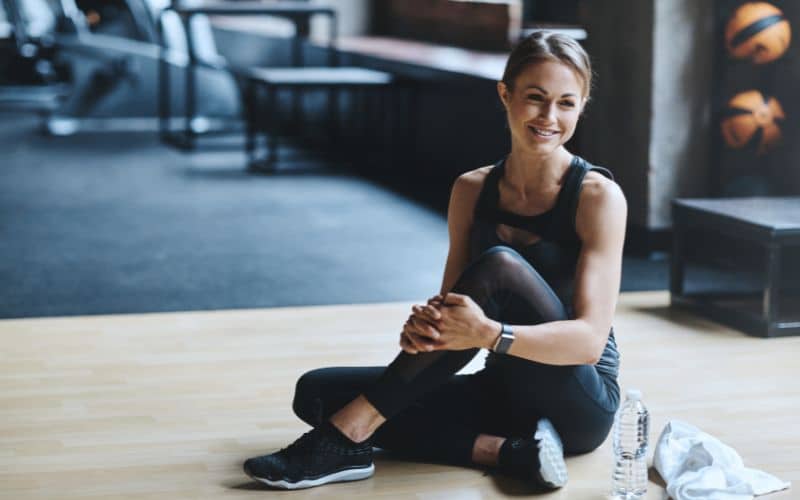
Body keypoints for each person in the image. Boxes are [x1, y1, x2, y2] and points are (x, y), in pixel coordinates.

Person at [243, 30, 627, 491]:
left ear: (581, 106)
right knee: (318, 392)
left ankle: (346, 439)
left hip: (579, 400)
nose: (550, 117)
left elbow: (588, 341)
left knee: (501, 266)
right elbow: (453, 306)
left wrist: (486, 333)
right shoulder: (471, 189)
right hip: (502, 388)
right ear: (505, 94)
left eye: (566, 103)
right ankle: (511, 452)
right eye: (535, 98)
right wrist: (426, 331)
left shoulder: (597, 197)